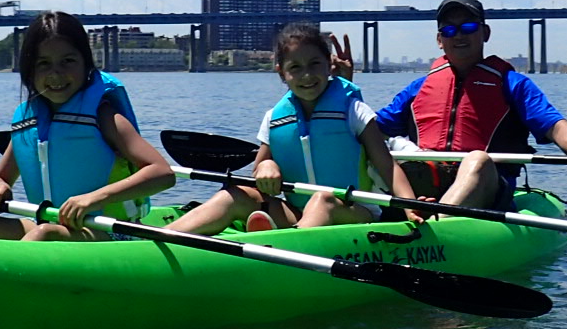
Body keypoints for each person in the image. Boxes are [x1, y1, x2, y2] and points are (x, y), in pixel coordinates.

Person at [168, 22, 418, 235]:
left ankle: (285, 247)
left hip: (354, 214)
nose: (306, 75)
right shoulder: (273, 118)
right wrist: (267, 166)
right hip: (297, 212)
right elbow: (260, 167)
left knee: (323, 200)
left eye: (314, 64)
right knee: (235, 195)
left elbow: (388, 166)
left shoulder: (355, 111)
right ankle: (160, 239)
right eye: (295, 67)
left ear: (328, 65)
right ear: (281, 72)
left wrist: (410, 206)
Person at [0, 11, 173, 241]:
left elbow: (162, 173)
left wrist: (94, 198)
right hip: (48, 225)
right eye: (44, 63)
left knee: (46, 234)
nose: (56, 74)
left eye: (68, 61)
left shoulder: (104, 116)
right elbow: (1, 177)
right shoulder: (29, 121)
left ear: (86, 65)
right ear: (29, 70)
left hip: (112, 233)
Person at [375, 0, 567, 210]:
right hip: (427, 180)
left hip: (487, 184)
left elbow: (553, 124)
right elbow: (372, 130)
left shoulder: (513, 84)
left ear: (485, 33)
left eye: (468, 27)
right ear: (439, 39)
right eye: (449, 30)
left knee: (477, 159)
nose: (458, 35)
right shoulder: (418, 88)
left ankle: (436, 224)